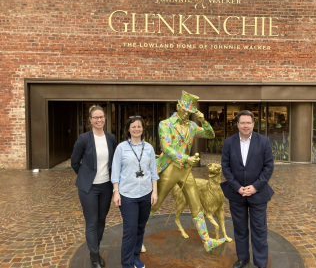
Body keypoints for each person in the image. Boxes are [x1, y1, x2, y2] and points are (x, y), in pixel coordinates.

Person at [146, 90, 225, 252]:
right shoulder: (165, 124)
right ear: (178, 107)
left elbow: (210, 135)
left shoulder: (191, 125)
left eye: (189, 112)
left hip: (185, 172)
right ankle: (136, 237)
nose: (186, 114)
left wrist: (203, 122)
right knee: (155, 205)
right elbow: (166, 148)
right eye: (184, 110)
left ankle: (207, 241)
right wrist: (185, 158)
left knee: (196, 206)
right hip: (169, 169)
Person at [221, 110, 274, 268]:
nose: (245, 126)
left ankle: (260, 262)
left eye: (248, 123)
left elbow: (268, 166)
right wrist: (237, 187)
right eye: (242, 123)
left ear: (253, 124)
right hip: (237, 194)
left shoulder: (264, 141)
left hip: (258, 194)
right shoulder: (229, 142)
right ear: (237, 124)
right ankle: (243, 258)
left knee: (259, 230)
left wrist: (255, 187)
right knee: (240, 228)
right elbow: (226, 167)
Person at [71, 105, 117, 268]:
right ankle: (95, 256)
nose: (99, 120)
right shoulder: (84, 139)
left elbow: (114, 163)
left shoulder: (111, 138)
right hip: (88, 188)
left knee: (101, 221)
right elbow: (75, 162)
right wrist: (86, 177)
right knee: (91, 222)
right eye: (96, 117)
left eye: (101, 117)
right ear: (90, 120)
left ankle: (94, 248)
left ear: (105, 118)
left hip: (105, 186)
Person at [111, 116, 159, 268]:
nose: (136, 129)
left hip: (145, 194)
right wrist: (116, 192)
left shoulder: (149, 148)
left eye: (139, 126)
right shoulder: (121, 148)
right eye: (133, 126)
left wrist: (154, 192)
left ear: (143, 129)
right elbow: (115, 171)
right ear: (128, 129)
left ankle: (136, 258)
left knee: (140, 228)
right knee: (130, 230)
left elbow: (153, 172)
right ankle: (127, 263)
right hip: (127, 195)